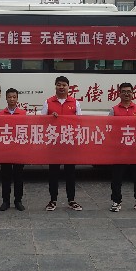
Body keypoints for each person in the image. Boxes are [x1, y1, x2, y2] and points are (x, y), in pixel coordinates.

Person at [40, 75, 82, 211]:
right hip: (54, 144)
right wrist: (50, 118)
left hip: (70, 143)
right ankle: (53, 200)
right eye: (59, 84)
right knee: (53, 173)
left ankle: (71, 200)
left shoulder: (75, 103)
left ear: (68, 87)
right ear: (55, 86)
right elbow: (41, 121)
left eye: (64, 85)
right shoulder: (48, 102)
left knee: (70, 173)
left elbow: (80, 122)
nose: (61, 87)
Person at [109, 82, 136, 213]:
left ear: (133, 94)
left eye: (129, 91)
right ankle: (116, 201)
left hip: (135, 148)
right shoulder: (114, 110)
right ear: (119, 94)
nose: (126, 94)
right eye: (124, 91)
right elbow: (109, 128)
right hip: (119, 148)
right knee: (117, 177)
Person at [0, 88, 26, 211]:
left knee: (19, 176)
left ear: (17, 98)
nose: (12, 99)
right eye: (10, 97)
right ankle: (5, 201)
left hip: (19, 150)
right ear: (6, 98)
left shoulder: (23, 113)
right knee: (5, 177)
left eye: (14, 97)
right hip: (5, 150)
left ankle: (18, 200)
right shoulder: (0, 114)